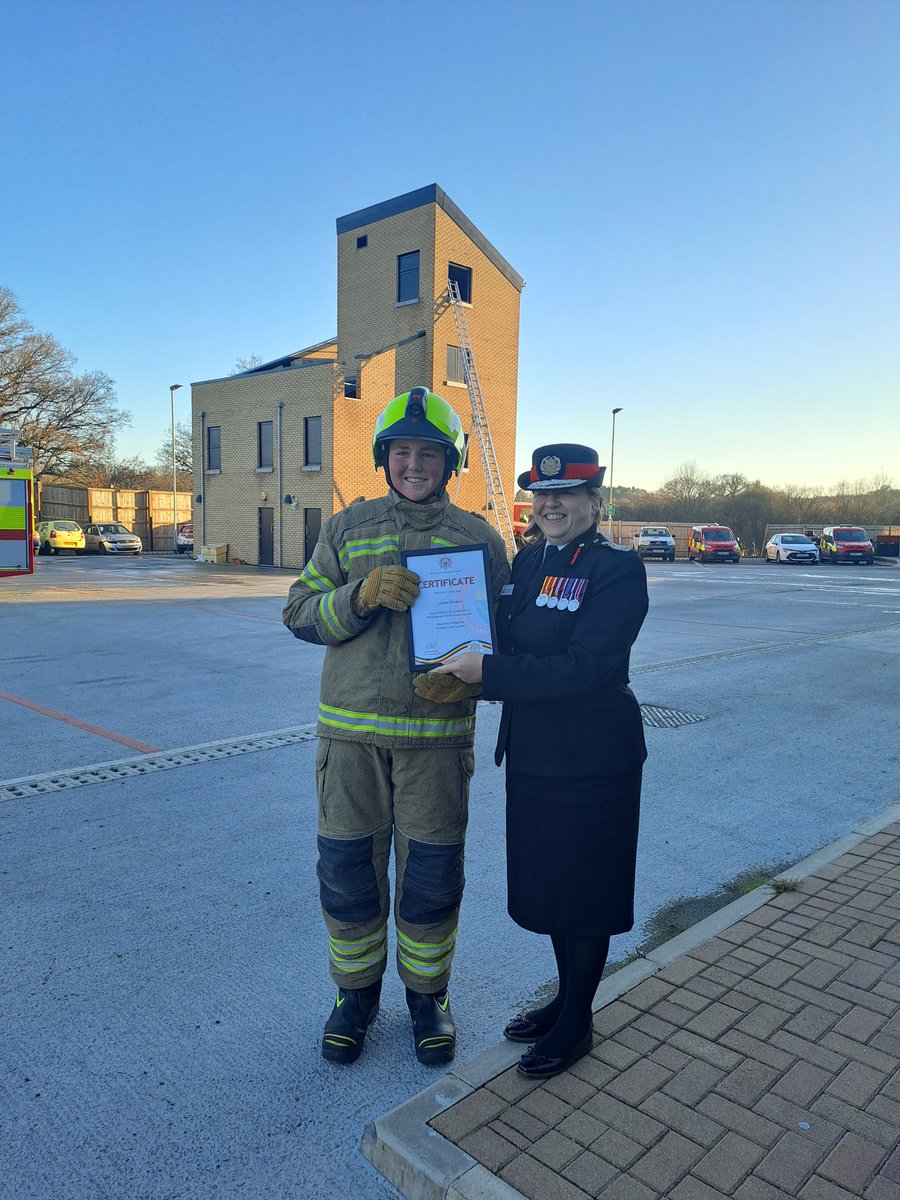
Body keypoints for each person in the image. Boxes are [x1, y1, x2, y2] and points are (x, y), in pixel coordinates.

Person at [282, 387, 509, 1067]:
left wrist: (477, 677)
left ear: (450, 462)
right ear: (385, 458)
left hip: (436, 746)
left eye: (429, 453)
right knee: (348, 875)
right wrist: (359, 596)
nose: (414, 465)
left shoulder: (479, 540)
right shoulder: (346, 530)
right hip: (350, 743)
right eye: (402, 451)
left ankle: (427, 998)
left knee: (432, 881)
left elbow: (503, 635)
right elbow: (298, 612)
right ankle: (355, 997)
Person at [421, 443, 648, 1079]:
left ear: (593, 502)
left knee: (586, 892)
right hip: (534, 753)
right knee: (552, 886)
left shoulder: (616, 570)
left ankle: (577, 1022)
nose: (551, 505)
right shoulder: (528, 561)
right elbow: (493, 629)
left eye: (566, 494)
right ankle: (564, 1000)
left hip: (594, 758)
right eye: (542, 494)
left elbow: (586, 667)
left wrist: (488, 673)